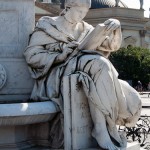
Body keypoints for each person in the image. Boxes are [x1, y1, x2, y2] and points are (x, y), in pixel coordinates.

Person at [24, 0, 141, 149]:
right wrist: (60, 56)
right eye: (80, 12)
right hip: (58, 72)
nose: (82, 16)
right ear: (68, 8)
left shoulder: (86, 28)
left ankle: (103, 127)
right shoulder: (48, 25)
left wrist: (115, 28)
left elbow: (110, 46)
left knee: (99, 64)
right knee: (99, 63)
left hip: (84, 68)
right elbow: (31, 56)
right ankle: (102, 128)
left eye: (85, 13)